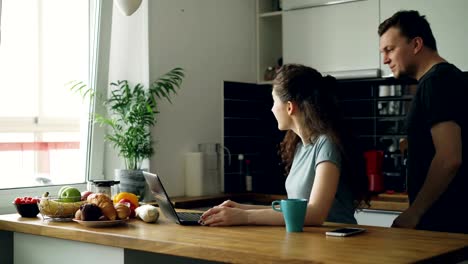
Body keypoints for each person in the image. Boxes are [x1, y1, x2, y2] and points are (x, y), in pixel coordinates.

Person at [200, 64, 369, 227]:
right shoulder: (300, 147)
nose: (272, 109)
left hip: (339, 245)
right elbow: (294, 211)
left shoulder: (326, 144)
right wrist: (241, 208)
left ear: (289, 107)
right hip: (311, 243)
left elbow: (315, 214)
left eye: (274, 101)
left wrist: (245, 216)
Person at [379, 10, 468, 233]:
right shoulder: (450, 77)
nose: (385, 59)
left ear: (416, 44)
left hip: (445, 222)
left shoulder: (435, 82)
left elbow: (450, 158)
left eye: (390, 49)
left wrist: (414, 212)